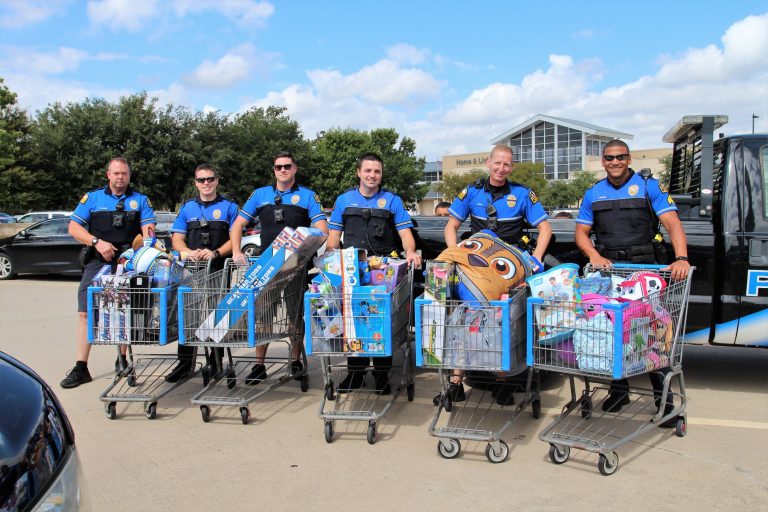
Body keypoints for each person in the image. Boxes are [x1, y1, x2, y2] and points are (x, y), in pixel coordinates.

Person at [574, 139, 691, 427]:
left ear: (629, 158)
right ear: (602, 161)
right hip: (611, 272)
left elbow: (672, 223)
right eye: (610, 158)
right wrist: (593, 254)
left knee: (653, 333)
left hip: (645, 270)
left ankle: (664, 403)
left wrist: (681, 258)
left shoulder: (649, 185)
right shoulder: (593, 194)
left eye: (621, 157)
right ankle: (619, 392)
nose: (615, 162)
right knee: (615, 334)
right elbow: (581, 233)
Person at [443, 144, 553, 405]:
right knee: (461, 319)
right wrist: (456, 257)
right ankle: (456, 383)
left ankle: (502, 382)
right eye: (497, 163)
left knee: (506, 324)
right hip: (477, 269)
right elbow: (451, 226)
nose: (501, 168)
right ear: (488, 162)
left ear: (511, 167)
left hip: (509, 271)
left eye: (507, 164)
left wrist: (534, 262)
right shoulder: (471, 192)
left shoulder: (523, 194)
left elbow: (545, 229)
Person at [326, 152, 422, 395]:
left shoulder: (392, 201)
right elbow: (334, 237)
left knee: (381, 321)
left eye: (377, 171)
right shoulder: (344, 200)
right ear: (359, 172)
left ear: (381, 175)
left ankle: (381, 375)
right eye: (367, 171)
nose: (372, 175)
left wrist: (410, 252)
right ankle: (355, 374)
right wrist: (331, 256)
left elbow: (405, 234)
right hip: (354, 271)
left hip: (385, 271)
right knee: (356, 322)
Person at [230, 151, 328, 385]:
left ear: (295, 169)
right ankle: (259, 365)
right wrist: (236, 251)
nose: (282, 170)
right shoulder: (259, 195)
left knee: (295, 314)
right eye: (278, 167)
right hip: (266, 266)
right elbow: (238, 225)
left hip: (295, 265)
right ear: (273, 170)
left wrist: (309, 244)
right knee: (263, 316)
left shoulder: (307, 196)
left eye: (287, 166)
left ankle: (295, 361)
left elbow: (322, 228)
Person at [60, 157, 156, 389]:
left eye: (124, 173)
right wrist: (96, 242)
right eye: (116, 173)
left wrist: (141, 250)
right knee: (85, 312)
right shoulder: (92, 198)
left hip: (127, 263)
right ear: (108, 175)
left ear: (129, 176)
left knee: (124, 313)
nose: (120, 177)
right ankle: (81, 367)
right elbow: (74, 227)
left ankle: (122, 361)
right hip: (97, 261)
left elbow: (149, 232)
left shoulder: (140, 200)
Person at [164, 164, 240, 383]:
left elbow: (235, 240)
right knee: (187, 315)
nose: (206, 183)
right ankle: (185, 363)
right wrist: (188, 252)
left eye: (210, 179)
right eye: (201, 180)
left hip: (218, 269)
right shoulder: (187, 208)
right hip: (192, 271)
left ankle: (216, 362)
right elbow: (177, 239)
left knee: (216, 316)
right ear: (195, 183)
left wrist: (215, 253)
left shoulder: (229, 207)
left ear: (216, 180)